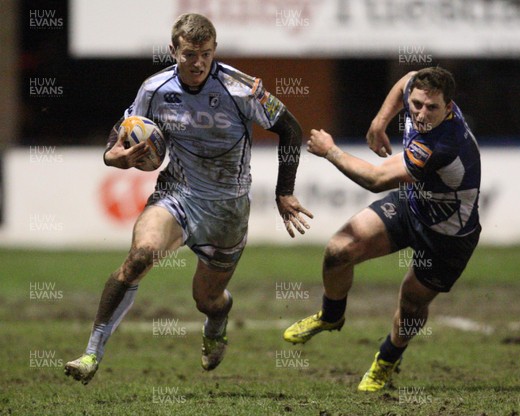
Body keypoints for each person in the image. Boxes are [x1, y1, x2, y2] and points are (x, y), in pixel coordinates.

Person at [65, 13, 312, 385]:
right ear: (173, 50)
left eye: (206, 54)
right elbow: (121, 135)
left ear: (215, 51)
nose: (198, 63)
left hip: (227, 210)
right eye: (189, 54)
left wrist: (284, 191)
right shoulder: (154, 89)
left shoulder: (240, 88)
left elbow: (290, 129)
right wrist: (112, 156)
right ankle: (90, 354)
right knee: (138, 259)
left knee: (206, 300)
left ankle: (217, 319)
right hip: (177, 195)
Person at [283, 67, 481, 392]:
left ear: (449, 108)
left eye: (431, 108)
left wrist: (330, 151)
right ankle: (331, 315)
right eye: (416, 104)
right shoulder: (419, 93)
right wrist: (379, 121)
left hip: (447, 236)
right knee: (338, 250)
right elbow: (407, 80)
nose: (420, 113)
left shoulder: (444, 144)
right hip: (413, 205)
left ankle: (387, 358)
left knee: (411, 304)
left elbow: (375, 180)